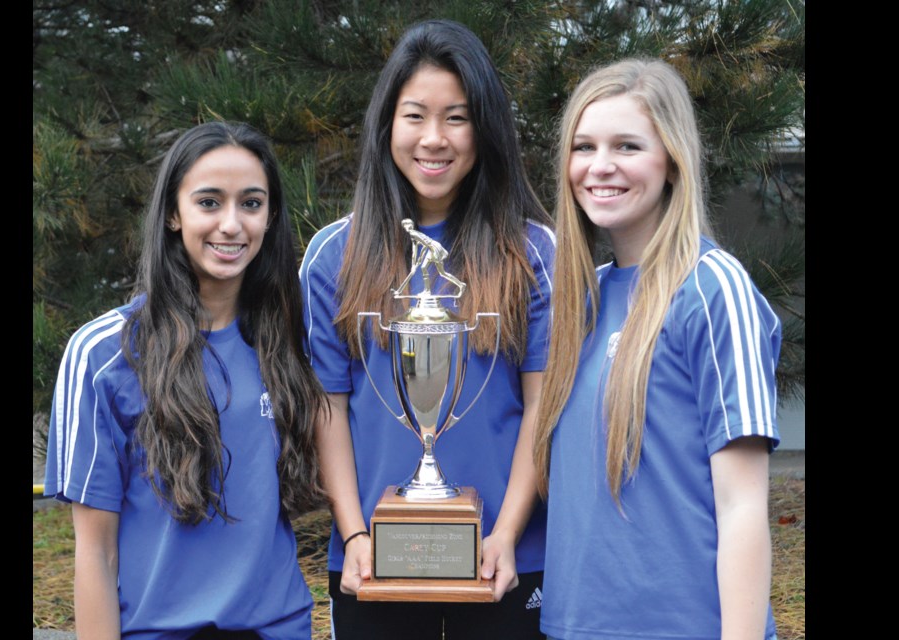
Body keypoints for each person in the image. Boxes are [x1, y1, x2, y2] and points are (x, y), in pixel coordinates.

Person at [299, 19, 555, 640]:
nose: (434, 139)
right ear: (387, 124)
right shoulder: (335, 255)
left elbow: (542, 413)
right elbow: (328, 409)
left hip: (507, 560)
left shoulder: (533, 252)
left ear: (485, 127)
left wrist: (507, 532)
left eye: (457, 118)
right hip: (372, 563)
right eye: (415, 116)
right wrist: (356, 531)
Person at [44, 121, 326, 640]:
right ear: (174, 213)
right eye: (209, 202)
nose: (232, 224)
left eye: (251, 203)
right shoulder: (103, 354)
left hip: (279, 627)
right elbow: (96, 552)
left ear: (270, 216)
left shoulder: (293, 340)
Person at [533, 58, 781, 640]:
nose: (600, 167)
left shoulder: (713, 288)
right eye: (584, 146)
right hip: (574, 627)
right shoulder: (580, 300)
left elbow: (743, 506)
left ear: (671, 160)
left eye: (627, 146)